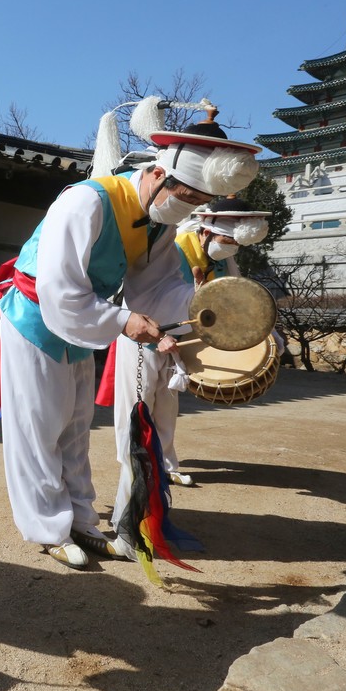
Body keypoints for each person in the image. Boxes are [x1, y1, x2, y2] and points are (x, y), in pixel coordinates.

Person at [0, 127, 260, 570]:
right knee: (39, 424)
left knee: (76, 425)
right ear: (159, 174)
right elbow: (59, 288)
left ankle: (81, 520)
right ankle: (47, 529)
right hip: (36, 313)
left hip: (82, 318)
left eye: (198, 204)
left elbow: (156, 288)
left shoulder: (160, 221)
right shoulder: (85, 201)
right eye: (188, 198)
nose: (190, 210)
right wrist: (121, 320)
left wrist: (209, 310)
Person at [107, 196, 269, 532]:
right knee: (137, 408)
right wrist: (159, 334)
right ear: (208, 231)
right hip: (146, 336)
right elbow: (138, 295)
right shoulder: (174, 250)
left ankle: (166, 463)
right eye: (229, 240)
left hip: (183, 341)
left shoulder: (222, 257)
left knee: (167, 405)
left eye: (237, 243)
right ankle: (134, 473)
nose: (232, 247)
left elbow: (235, 299)